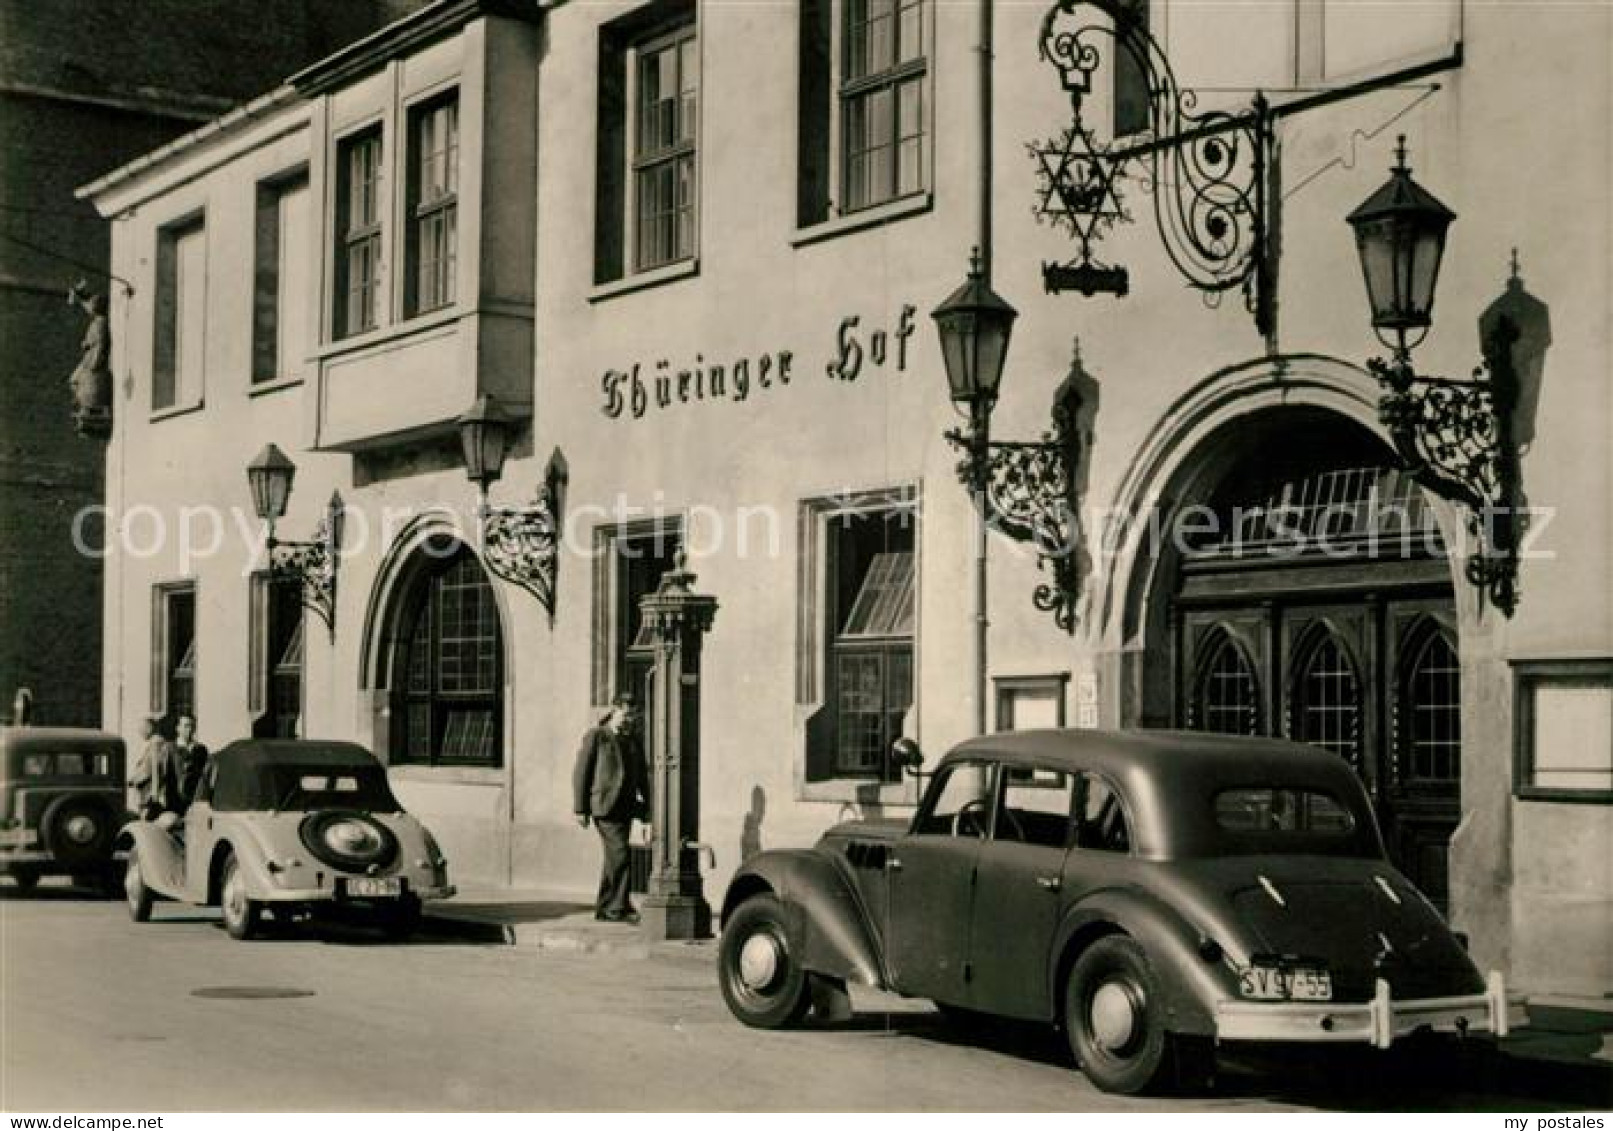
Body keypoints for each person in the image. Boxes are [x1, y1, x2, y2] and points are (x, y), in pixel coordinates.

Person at [572, 694, 649, 923]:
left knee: (614, 858)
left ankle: (605, 907)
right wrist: (580, 808)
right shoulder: (597, 736)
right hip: (604, 806)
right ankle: (618, 908)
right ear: (614, 711)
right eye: (626, 715)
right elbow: (581, 772)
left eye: (633, 716)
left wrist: (647, 811)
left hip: (625, 807)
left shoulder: (633, 741)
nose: (629, 721)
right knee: (621, 855)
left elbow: (642, 777)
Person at [129, 717, 169, 815]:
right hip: (145, 790)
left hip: (148, 791)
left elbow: (154, 769)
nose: (140, 732)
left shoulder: (156, 743)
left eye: (142, 728)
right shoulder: (151, 743)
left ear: (149, 728)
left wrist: (155, 792)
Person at [172, 713, 209, 808]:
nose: (189, 729)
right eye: (186, 726)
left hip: (195, 799)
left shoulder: (201, 749)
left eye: (192, 726)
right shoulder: (170, 749)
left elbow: (205, 774)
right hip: (174, 800)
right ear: (178, 728)